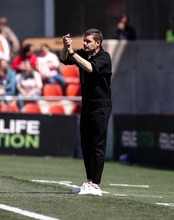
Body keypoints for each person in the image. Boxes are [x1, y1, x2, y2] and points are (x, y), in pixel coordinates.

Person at [60, 28, 112, 196]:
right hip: (87, 105)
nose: (85, 44)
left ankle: (96, 185)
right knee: (86, 145)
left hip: (101, 106)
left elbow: (90, 68)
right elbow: (64, 59)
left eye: (88, 41)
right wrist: (65, 47)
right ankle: (89, 182)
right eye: (84, 41)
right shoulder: (82, 53)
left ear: (98, 43)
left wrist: (73, 53)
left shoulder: (104, 57)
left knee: (98, 145)